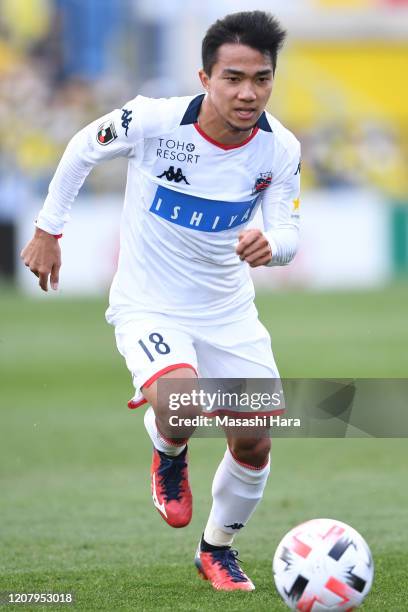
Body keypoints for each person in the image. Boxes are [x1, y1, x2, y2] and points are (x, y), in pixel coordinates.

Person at [21, 11, 301, 592]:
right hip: (149, 303)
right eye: (233, 78)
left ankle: (217, 550)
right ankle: (168, 446)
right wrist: (49, 230)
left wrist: (271, 246)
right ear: (204, 78)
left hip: (227, 311)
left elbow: (289, 234)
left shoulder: (280, 151)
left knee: (255, 439)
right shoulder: (152, 120)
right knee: (182, 404)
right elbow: (80, 148)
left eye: (262, 78)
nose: (248, 92)